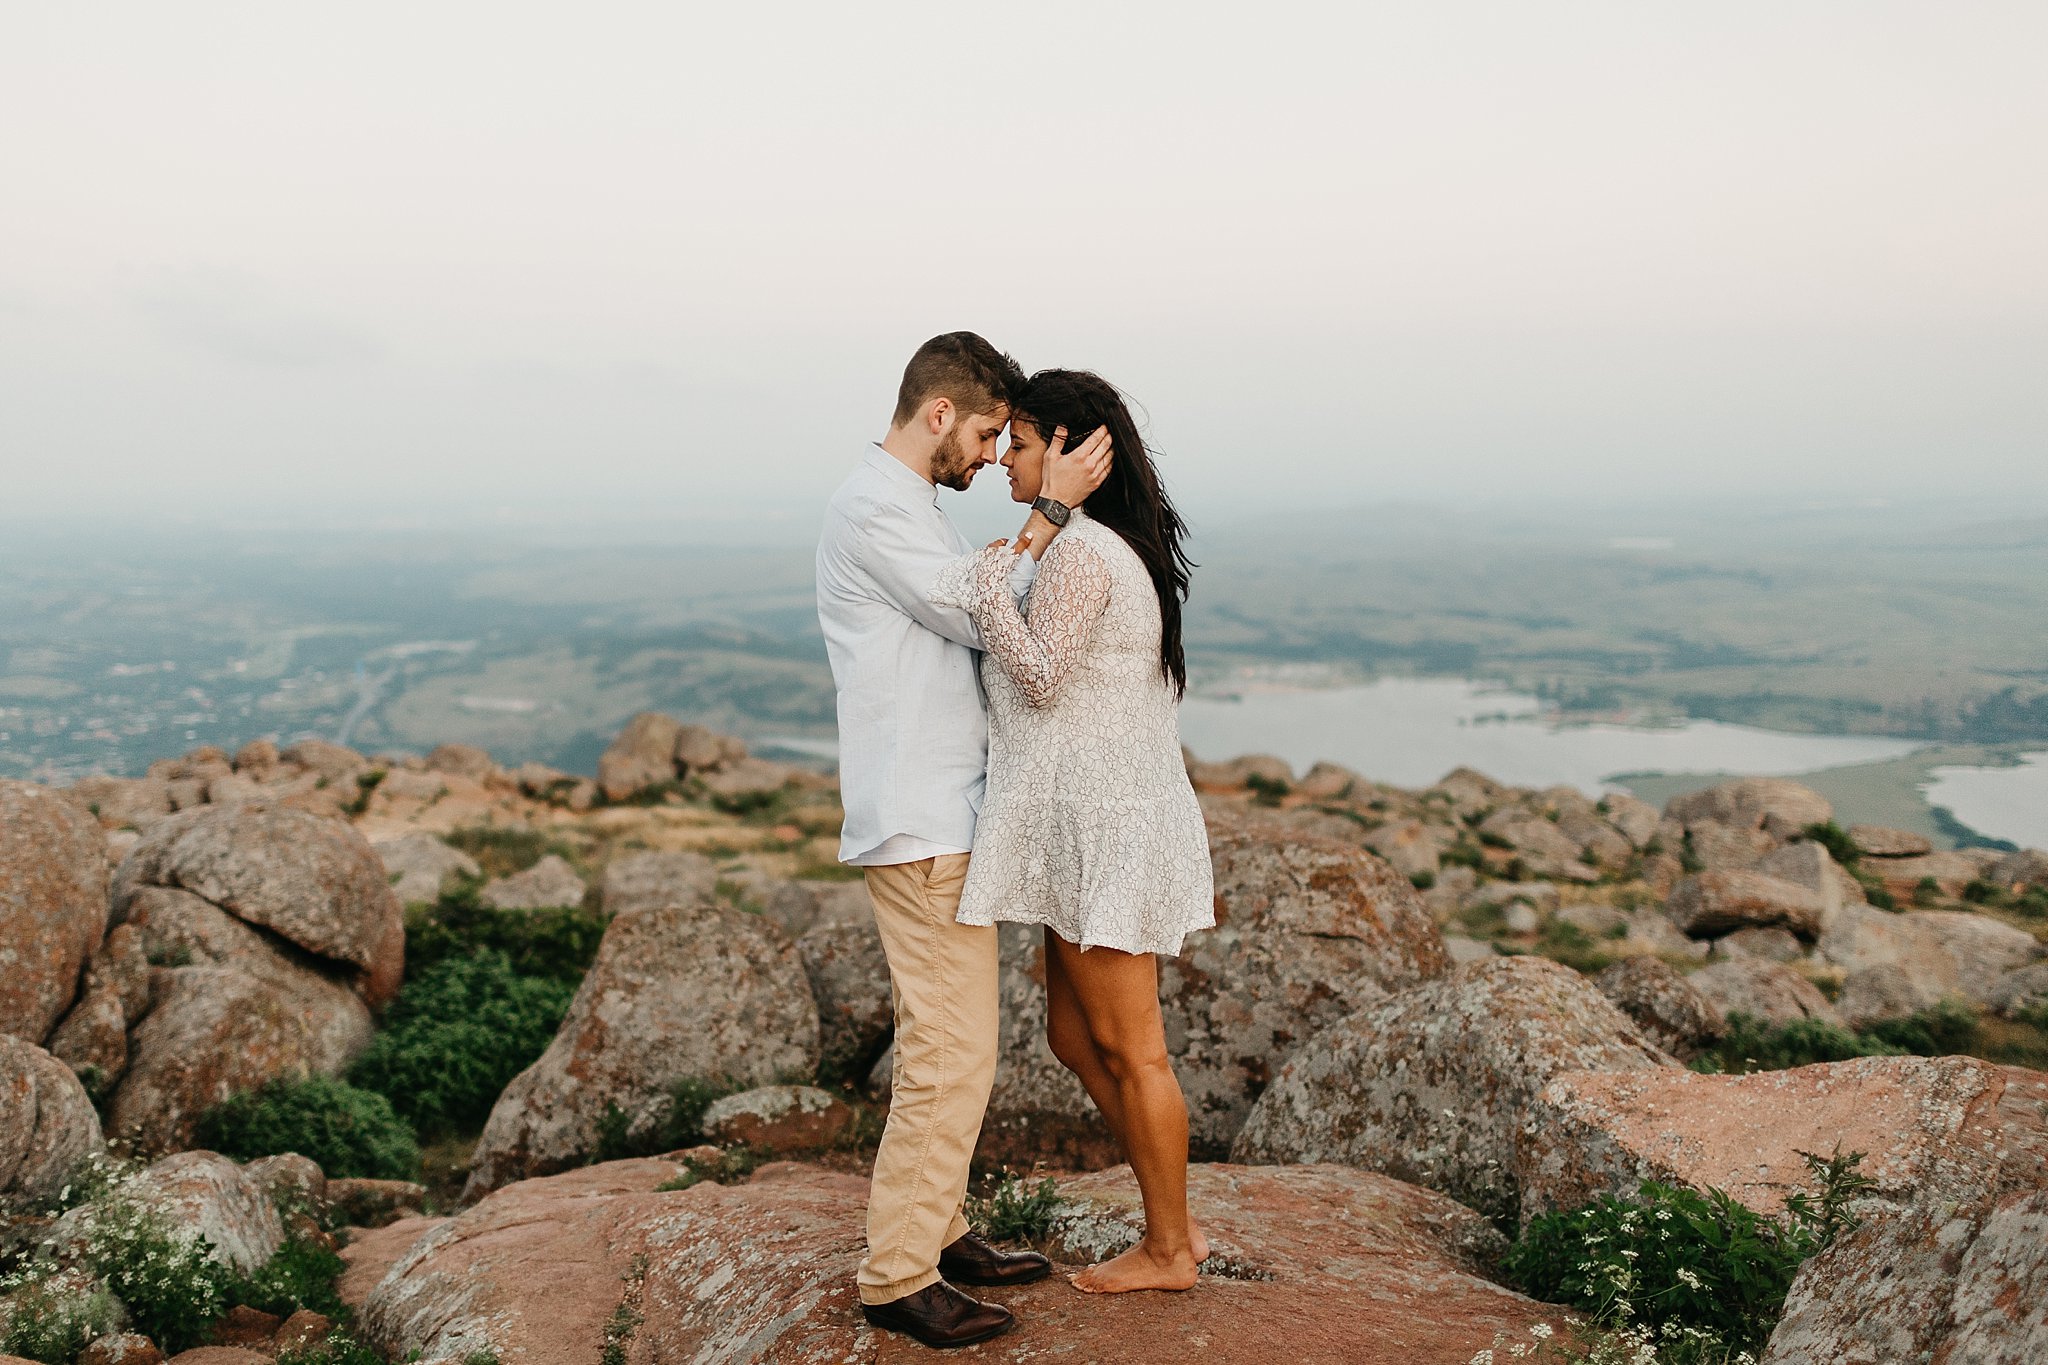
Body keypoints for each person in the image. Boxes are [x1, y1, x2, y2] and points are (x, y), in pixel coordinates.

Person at [815, 332, 1111, 1348]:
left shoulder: (907, 508)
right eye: (987, 432)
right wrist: (1049, 514)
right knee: (952, 1055)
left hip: (940, 810)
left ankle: (936, 1229)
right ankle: (896, 1275)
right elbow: (971, 610)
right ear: (939, 414)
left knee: (945, 1043)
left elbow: (980, 602)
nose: (991, 456)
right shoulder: (871, 509)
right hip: (919, 815)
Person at [930, 367, 1214, 1294]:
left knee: (1136, 1050)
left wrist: (985, 591)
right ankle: (1168, 1211)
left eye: (1017, 441)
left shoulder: (1085, 552)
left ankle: (1171, 1246)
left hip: (1102, 824)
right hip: (1081, 817)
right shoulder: (1085, 547)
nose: (1004, 456)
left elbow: (1041, 673)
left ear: (1062, 450)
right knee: (1069, 1033)